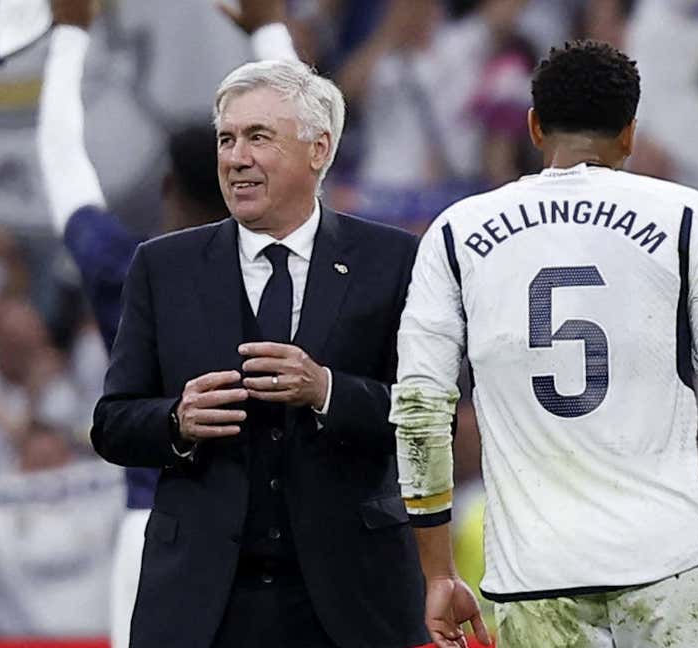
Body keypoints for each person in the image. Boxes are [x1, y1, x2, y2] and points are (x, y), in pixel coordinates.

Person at [392, 40, 698, 647]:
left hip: (536, 575)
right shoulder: (685, 216)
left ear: (534, 126)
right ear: (630, 134)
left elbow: (419, 410)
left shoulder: (456, 233)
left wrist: (437, 569)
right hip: (671, 560)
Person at [89, 55, 428, 648]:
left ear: (318, 150)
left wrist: (328, 391)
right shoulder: (162, 267)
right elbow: (113, 423)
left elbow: (431, 417)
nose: (235, 158)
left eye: (258, 138)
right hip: (200, 603)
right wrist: (177, 420)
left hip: (351, 602)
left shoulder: (393, 261)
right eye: (227, 139)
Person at [36, 1, 299, 646]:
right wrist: (269, 27)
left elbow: (62, 160)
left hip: (154, 528)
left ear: (167, 190)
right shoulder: (299, 263)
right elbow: (313, 141)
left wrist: (70, 36)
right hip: (274, 532)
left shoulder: (126, 269)